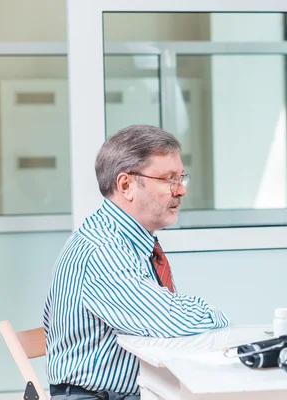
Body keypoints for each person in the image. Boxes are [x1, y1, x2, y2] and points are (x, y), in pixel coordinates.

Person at [43, 125, 229, 400]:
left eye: (181, 178)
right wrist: (213, 313)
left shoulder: (131, 240)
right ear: (126, 185)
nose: (180, 191)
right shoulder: (103, 250)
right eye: (168, 179)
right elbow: (169, 319)